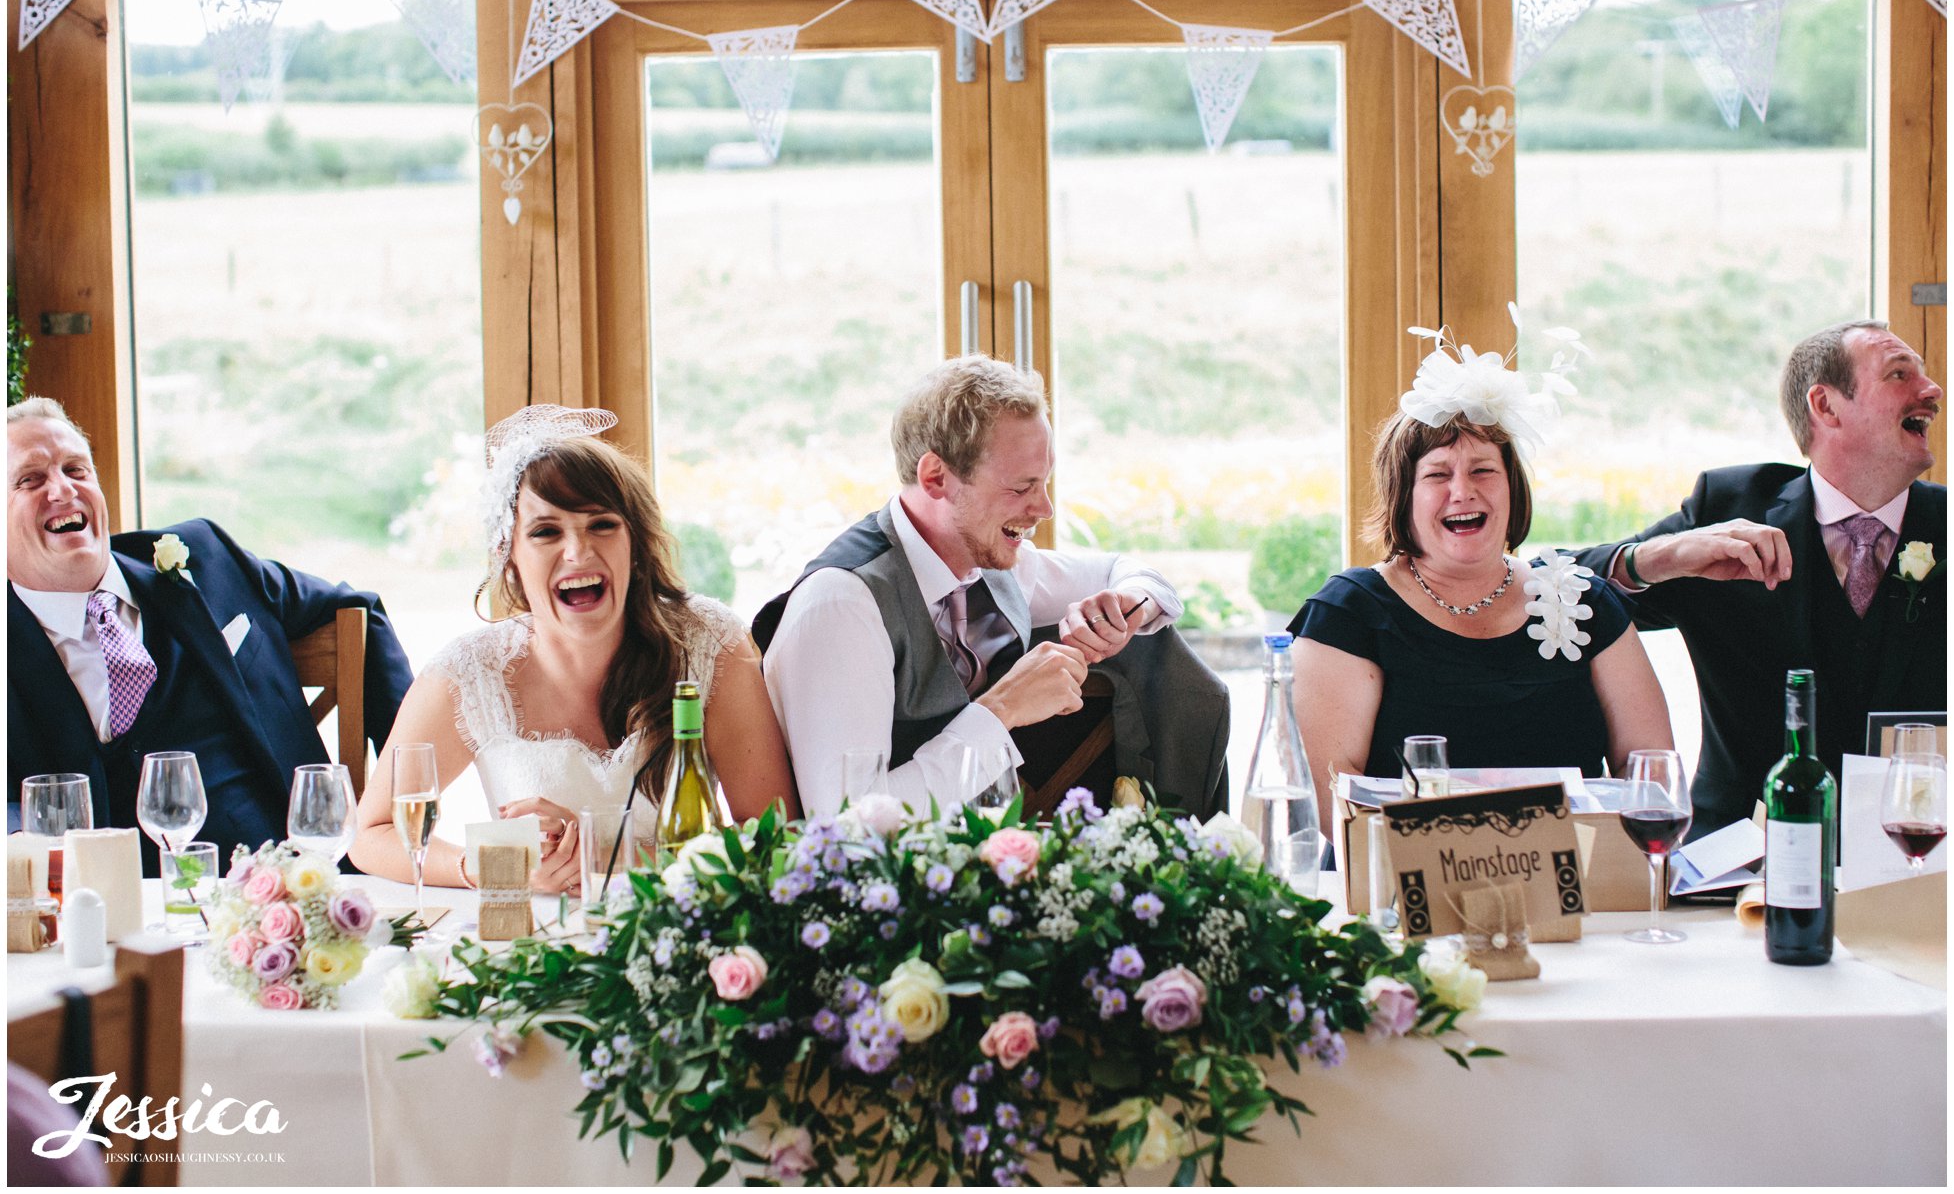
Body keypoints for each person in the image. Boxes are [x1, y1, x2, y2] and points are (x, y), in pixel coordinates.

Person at [350, 406, 796, 892]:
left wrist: (608, 857)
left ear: (636, 544)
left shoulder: (710, 645)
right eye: (545, 532)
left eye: (601, 524)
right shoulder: (470, 675)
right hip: (533, 947)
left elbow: (777, 836)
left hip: (679, 936)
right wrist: (489, 864)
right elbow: (370, 835)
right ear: (510, 558)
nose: (578, 552)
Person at [754, 356, 1189, 818]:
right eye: (1021, 488)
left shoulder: (991, 561)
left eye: (1045, 483)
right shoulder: (842, 607)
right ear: (936, 477)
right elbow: (847, 823)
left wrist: (1127, 608)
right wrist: (1002, 709)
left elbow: (1136, 575)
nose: (1044, 508)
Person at [1290, 325, 1674, 831]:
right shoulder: (1348, 615)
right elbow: (1331, 809)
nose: (1462, 491)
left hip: (1581, 888)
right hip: (1404, 892)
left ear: (1512, 487)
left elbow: (1652, 779)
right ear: (1402, 496)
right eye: (1437, 474)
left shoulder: (1585, 601)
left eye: (1482, 470)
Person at [7, 398, 414, 870]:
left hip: (287, 887)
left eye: (76, 469)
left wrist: (397, 797)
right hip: (106, 913)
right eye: (30, 479)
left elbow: (358, 608)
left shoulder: (206, 559)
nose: (62, 490)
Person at [1575, 320, 1945, 835]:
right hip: (1738, 855)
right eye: (1899, 374)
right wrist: (1661, 557)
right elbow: (1561, 592)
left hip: (1919, 858)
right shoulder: (1730, 508)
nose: (1932, 391)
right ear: (1826, 406)